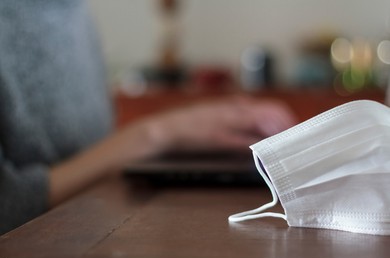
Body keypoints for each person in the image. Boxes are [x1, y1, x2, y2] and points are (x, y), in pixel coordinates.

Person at [0, 0, 297, 234]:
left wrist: (191, 135)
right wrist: (157, 134)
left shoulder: (72, 10)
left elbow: (90, 150)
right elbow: (9, 204)